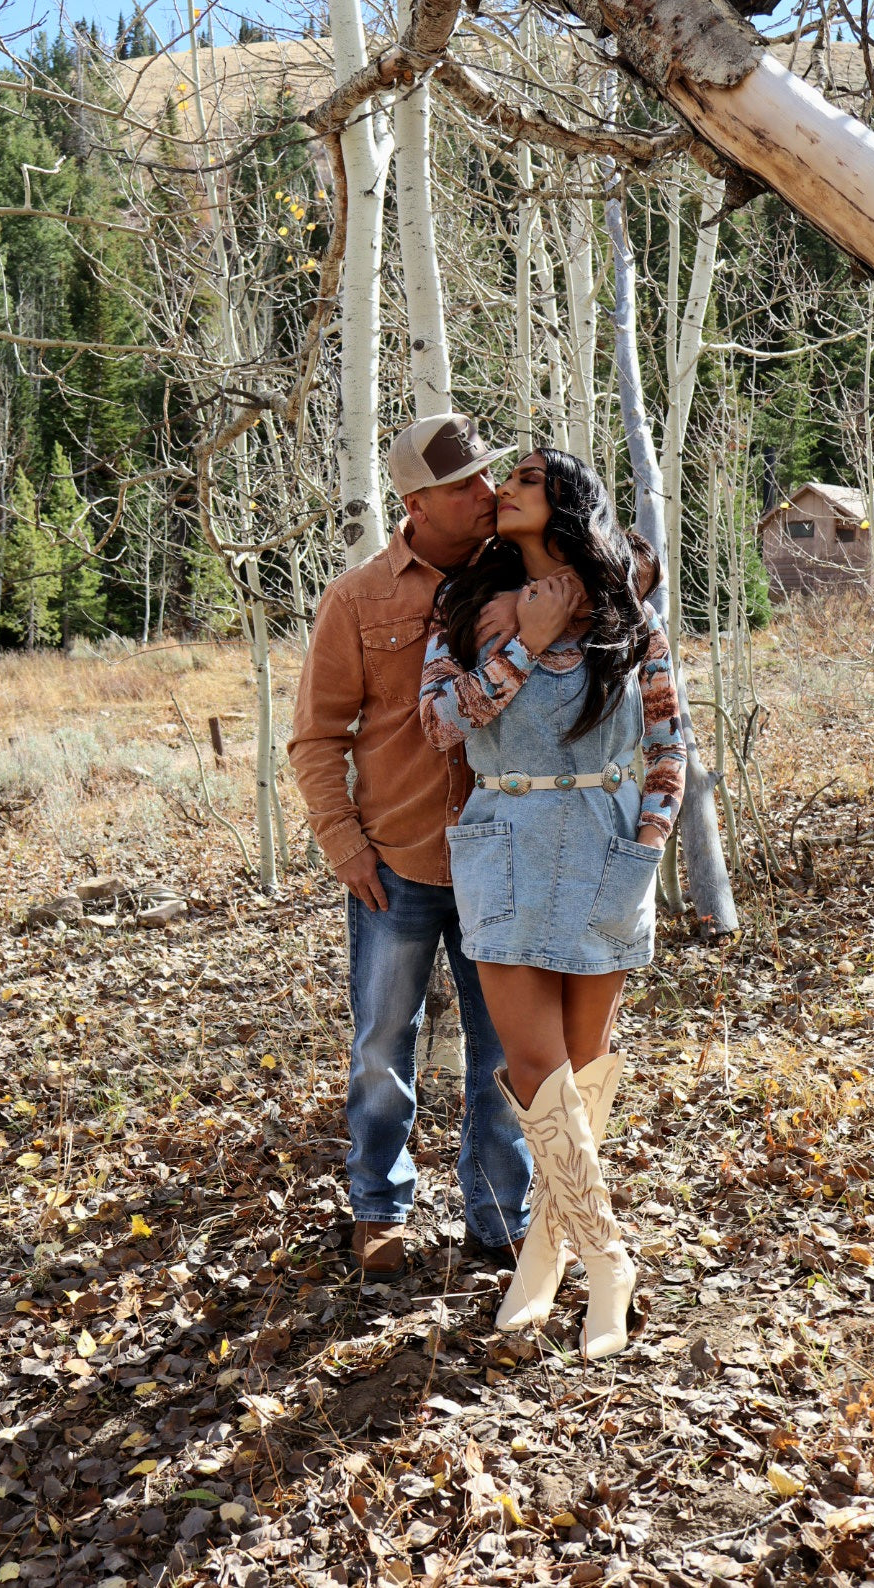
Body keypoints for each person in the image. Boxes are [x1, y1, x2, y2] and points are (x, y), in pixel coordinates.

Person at [419, 447, 687, 1357]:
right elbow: (441, 723)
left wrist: (647, 845)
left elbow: (670, 744)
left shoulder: (628, 618)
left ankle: (544, 1255)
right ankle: (608, 1261)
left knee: (584, 1072)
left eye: (528, 479)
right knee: (537, 1070)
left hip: (607, 850)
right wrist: (523, 644)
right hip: (503, 849)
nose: (505, 489)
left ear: (570, 500)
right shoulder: (468, 609)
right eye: (508, 479)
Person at [288, 413, 534, 1281]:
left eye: (488, 476)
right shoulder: (358, 598)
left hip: (503, 862)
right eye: (465, 484)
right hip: (396, 865)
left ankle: (500, 1218)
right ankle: (379, 1209)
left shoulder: (526, 575)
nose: (487, 493)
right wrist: (344, 845)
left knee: (503, 1052)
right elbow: (316, 736)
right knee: (382, 1045)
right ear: (416, 503)